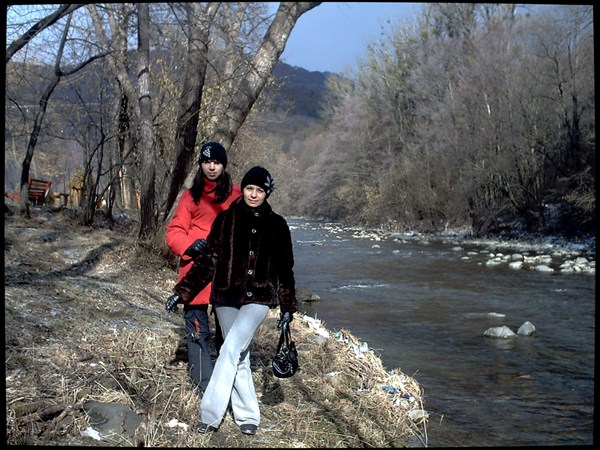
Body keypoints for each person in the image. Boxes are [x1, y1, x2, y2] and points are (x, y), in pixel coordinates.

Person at [165, 166, 297, 436]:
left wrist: (287, 307)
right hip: (225, 296)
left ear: (267, 193)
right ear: (243, 188)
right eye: (249, 188)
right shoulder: (225, 219)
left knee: (230, 349)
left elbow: (285, 269)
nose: (253, 194)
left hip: (259, 298)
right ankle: (248, 416)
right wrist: (182, 291)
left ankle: (209, 415)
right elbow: (208, 261)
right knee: (239, 355)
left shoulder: (278, 225)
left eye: (260, 190)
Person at [165, 141, 241, 394]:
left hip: (226, 276)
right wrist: (189, 245)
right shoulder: (190, 196)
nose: (211, 167)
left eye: (216, 162)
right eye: (207, 162)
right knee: (197, 334)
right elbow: (174, 232)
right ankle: (205, 387)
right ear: (200, 164)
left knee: (228, 334)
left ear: (223, 165)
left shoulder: (237, 195)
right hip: (195, 275)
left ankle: (228, 382)